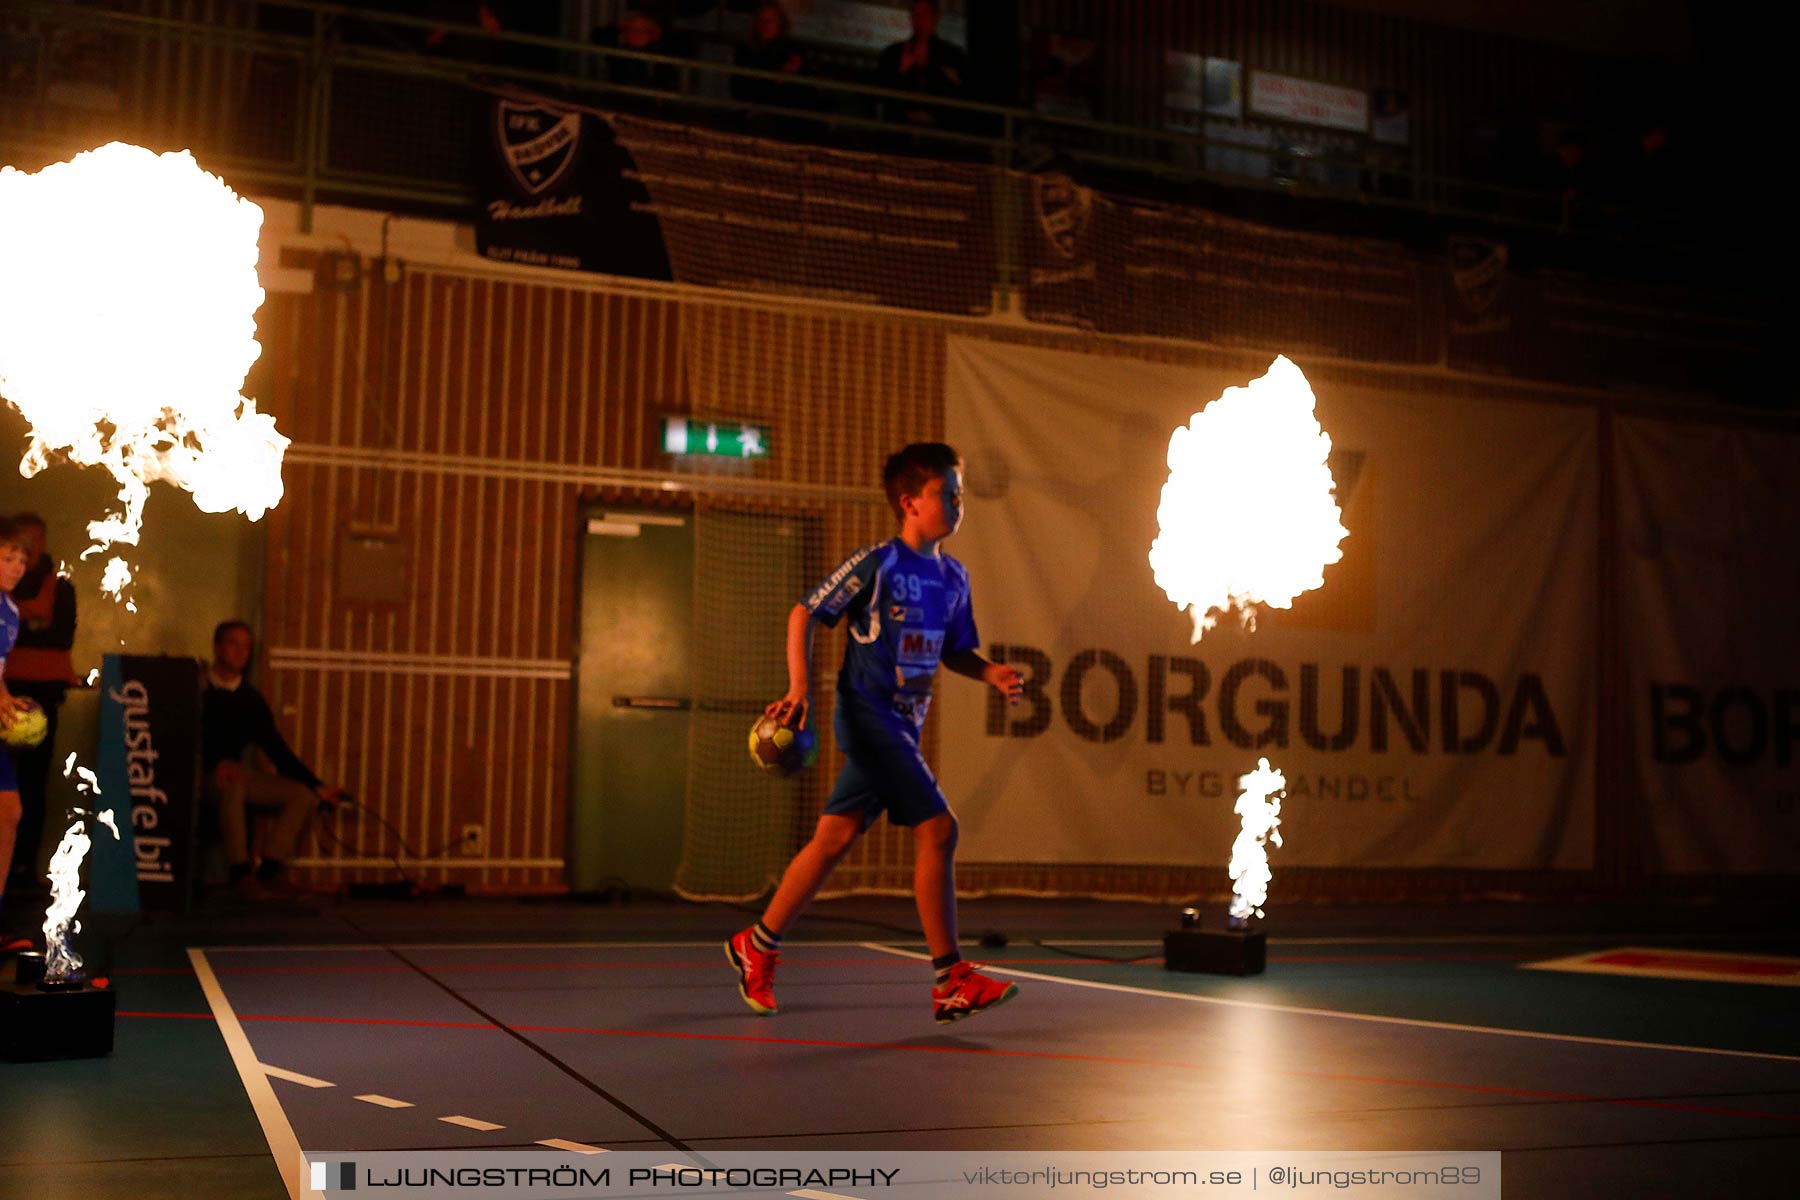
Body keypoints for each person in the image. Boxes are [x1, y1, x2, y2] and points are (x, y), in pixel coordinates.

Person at [725, 443, 1026, 1023]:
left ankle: (756, 943)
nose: (959, 503)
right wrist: (799, 689)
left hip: (905, 728)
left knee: (833, 840)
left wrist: (989, 672)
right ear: (910, 502)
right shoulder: (877, 564)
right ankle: (950, 979)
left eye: (961, 494)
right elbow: (804, 612)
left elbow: (956, 650)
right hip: (867, 716)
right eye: (948, 493)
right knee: (938, 831)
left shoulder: (954, 577)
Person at [202, 620, 343, 898]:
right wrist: (214, 763)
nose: (240, 652)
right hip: (206, 774)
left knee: (301, 794)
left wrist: (316, 784)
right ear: (218, 647)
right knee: (232, 785)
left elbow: (275, 747)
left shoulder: (250, 698)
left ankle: (270, 871)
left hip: (238, 773)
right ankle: (240, 873)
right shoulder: (199, 688)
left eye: (246, 647)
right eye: (233, 644)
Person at [5, 513, 79, 895]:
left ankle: (21, 871)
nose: (23, 559)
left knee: (28, 791)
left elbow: (60, 637)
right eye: (15, 552)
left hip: (41, 701)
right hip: (6, 697)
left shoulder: (60, 587)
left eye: (31, 547)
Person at [0, 518, 34, 952]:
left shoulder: (10, 611)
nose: (17, 566)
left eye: (23, 559)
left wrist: (10, 701)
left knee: (9, 812)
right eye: (8, 557)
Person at [876, 0, 966, 128]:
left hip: (940, 129)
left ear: (935, 18)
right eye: (916, 15)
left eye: (924, 15)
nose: (920, 21)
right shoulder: (893, 53)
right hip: (900, 127)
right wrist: (902, 69)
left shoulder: (952, 56)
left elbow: (960, 94)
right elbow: (880, 91)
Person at [732, 2, 807, 110]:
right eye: (760, 20)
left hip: (781, 110)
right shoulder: (746, 50)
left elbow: (789, 85)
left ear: (781, 24)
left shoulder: (792, 50)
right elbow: (739, 85)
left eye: (769, 21)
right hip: (748, 106)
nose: (764, 25)